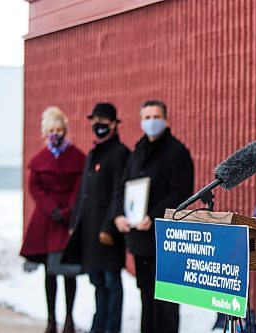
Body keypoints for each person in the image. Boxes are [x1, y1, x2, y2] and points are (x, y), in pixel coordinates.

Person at [114, 100, 194, 333]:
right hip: (140, 240)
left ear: (165, 119)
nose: (151, 122)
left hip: (164, 239)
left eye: (155, 116)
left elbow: (181, 193)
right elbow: (123, 188)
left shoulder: (177, 152)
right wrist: (119, 214)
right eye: (146, 117)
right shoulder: (137, 151)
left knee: (166, 301)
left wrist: (154, 214)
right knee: (146, 297)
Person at [20, 107, 85, 333]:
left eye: (59, 129)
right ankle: (51, 319)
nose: (55, 134)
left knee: (68, 270)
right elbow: (34, 187)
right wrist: (52, 209)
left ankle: (69, 319)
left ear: (65, 130)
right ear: (44, 132)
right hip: (47, 220)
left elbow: (79, 187)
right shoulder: (40, 159)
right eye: (51, 130)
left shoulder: (76, 157)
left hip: (67, 220)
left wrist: (67, 211)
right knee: (50, 272)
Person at [68, 103, 130, 333]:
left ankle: (111, 328)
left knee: (111, 282)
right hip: (89, 231)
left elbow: (119, 193)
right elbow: (83, 193)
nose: (98, 125)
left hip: (108, 233)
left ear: (114, 124)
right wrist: (75, 223)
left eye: (104, 121)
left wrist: (108, 227)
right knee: (97, 282)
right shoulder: (93, 152)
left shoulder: (121, 153)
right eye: (95, 120)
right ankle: (99, 325)